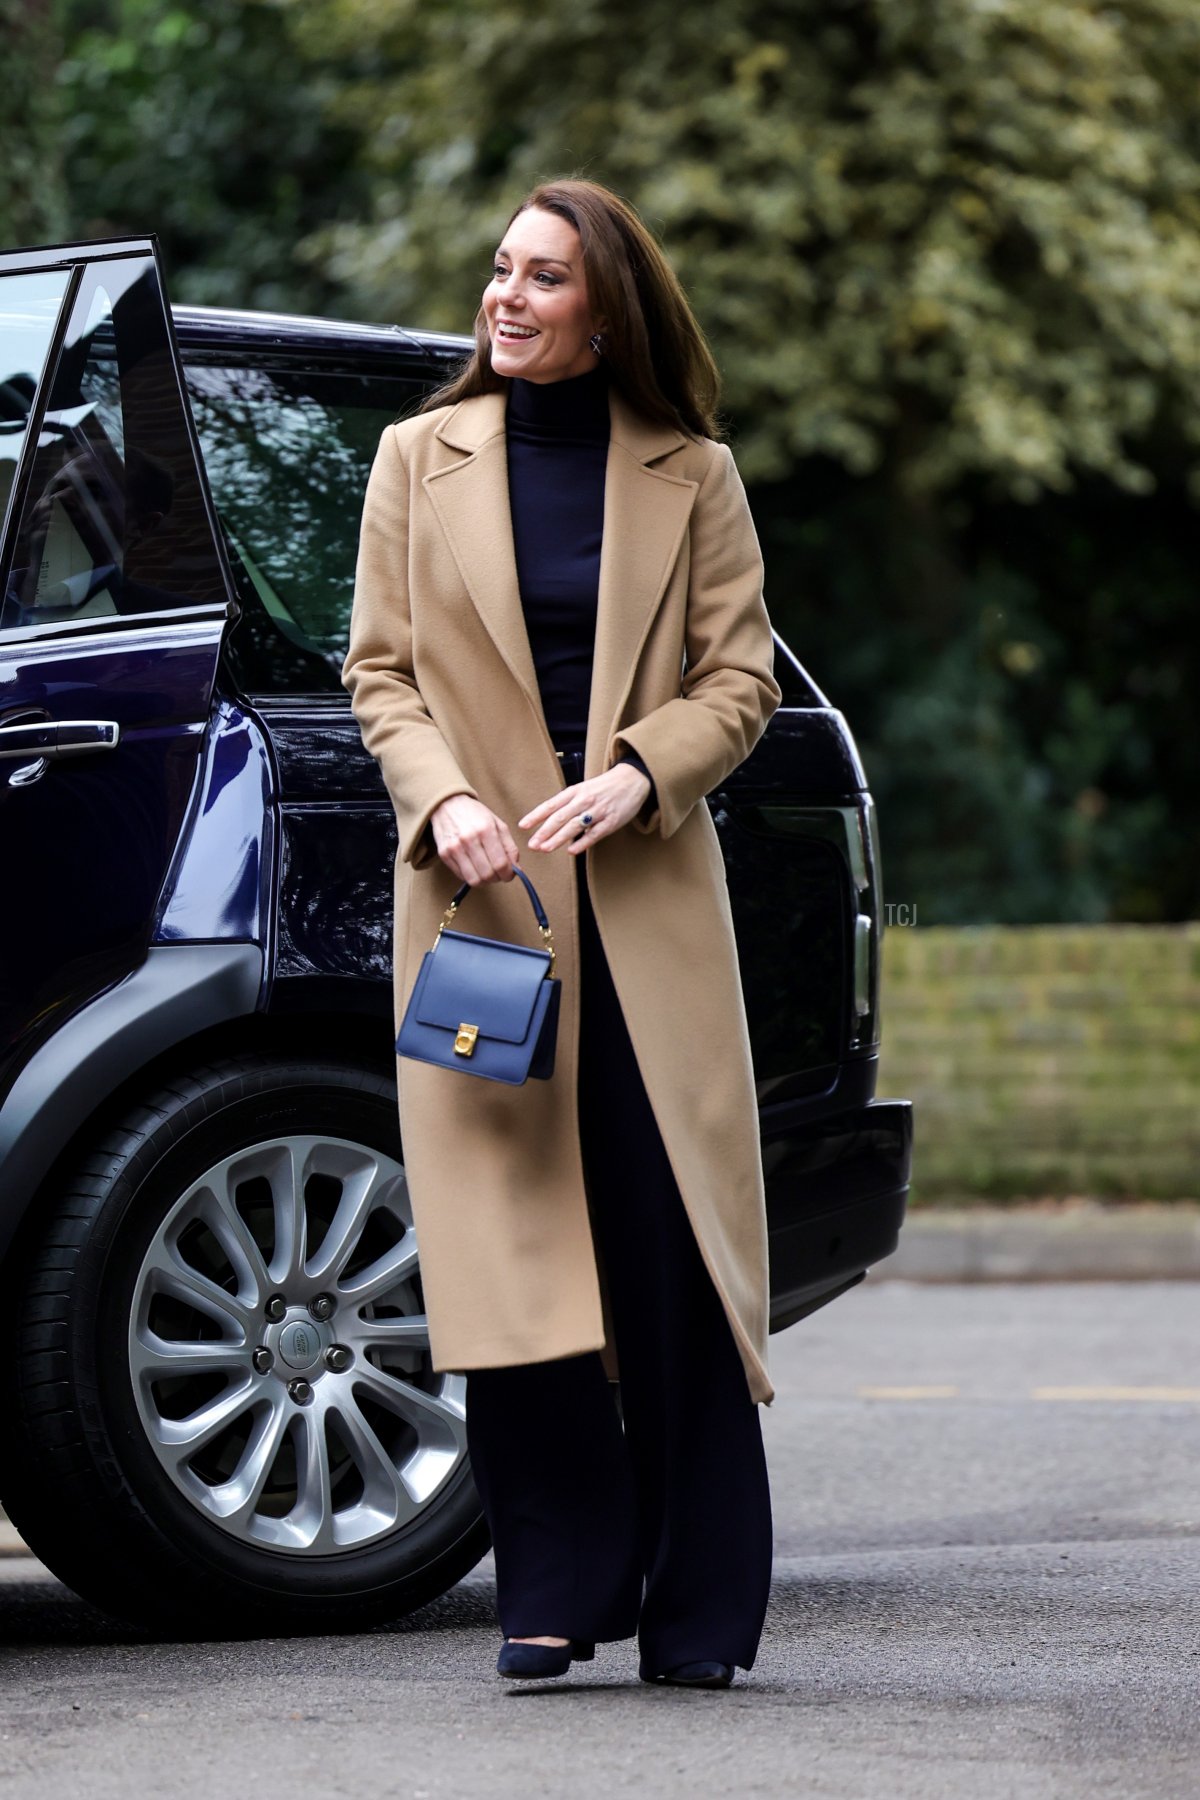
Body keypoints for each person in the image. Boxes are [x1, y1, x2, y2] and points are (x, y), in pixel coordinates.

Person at [341, 176, 782, 1688]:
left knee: (668, 1259)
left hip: (646, 908)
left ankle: (698, 1605)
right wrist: (443, 801)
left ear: (606, 316)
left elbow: (742, 685)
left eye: (542, 279)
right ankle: (551, 1587)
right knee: (514, 1256)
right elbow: (379, 676)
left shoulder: (692, 473)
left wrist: (643, 773)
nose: (505, 297)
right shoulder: (417, 457)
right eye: (500, 269)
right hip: (483, 909)